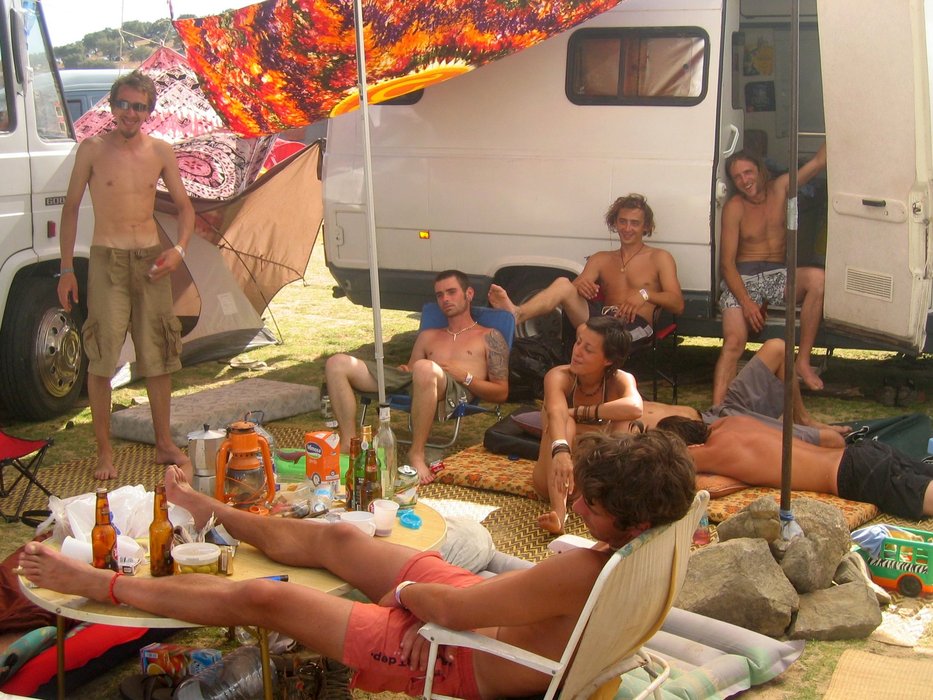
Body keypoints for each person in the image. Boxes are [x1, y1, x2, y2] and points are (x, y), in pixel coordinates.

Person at [19, 434, 697, 700]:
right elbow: (485, 598)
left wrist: (406, 596)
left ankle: (102, 582)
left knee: (268, 601)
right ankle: (211, 509)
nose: (577, 505)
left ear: (631, 518)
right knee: (343, 541)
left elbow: (450, 610)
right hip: (491, 622)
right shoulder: (642, 542)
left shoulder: (585, 570)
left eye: (591, 504)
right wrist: (421, 595)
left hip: (465, 651)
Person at [57, 71, 194, 481]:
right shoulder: (92, 150)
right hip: (108, 262)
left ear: (149, 111)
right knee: (101, 356)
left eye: (139, 106)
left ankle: (164, 443)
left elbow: (185, 207)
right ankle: (104, 453)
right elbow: (70, 208)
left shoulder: (161, 151)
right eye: (123, 104)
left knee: (159, 354)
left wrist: (179, 249)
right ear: (112, 106)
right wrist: (66, 269)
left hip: (152, 262)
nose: (130, 113)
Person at [326, 270, 509, 483]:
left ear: (469, 293)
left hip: (456, 389)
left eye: (451, 292)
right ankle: (348, 444)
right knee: (337, 363)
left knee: (424, 368)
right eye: (439, 295)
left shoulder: (489, 336)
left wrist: (465, 377)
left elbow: (501, 393)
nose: (445, 299)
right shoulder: (428, 336)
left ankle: (416, 453)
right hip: (418, 379)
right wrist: (406, 369)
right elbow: (414, 369)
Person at [488, 194, 684, 351]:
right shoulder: (601, 258)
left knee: (601, 339)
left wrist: (645, 294)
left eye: (635, 223)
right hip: (602, 319)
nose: (627, 228)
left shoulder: (659, 257)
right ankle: (517, 314)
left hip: (636, 325)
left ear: (646, 226)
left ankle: (589, 378)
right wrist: (580, 286)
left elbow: (678, 305)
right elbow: (572, 289)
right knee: (563, 283)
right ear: (614, 223)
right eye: (622, 221)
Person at [714, 145, 827, 405]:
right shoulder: (735, 207)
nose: (744, 180)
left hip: (778, 274)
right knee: (734, 342)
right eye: (737, 177)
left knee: (818, 280)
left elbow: (819, 162)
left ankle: (803, 361)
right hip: (743, 279)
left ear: (760, 170)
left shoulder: (780, 188)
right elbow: (727, 265)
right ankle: (716, 411)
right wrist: (747, 302)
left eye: (748, 172)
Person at [657, 414, 933, 520]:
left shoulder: (714, 452)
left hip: (851, 474)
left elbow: (668, 462)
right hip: (862, 452)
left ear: (690, 446)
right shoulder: (730, 422)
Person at [535, 315, 642, 534]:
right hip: (554, 472)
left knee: (625, 422)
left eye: (588, 349)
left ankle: (610, 500)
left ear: (608, 360)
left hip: (591, 482)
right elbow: (556, 414)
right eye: (578, 342)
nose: (577, 351)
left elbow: (635, 408)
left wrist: (581, 412)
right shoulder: (558, 376)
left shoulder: (620, 380)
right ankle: (559, 514)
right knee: (566, 422)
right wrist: (561, 452)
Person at [642, 339, 849, 447]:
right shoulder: (623, 433)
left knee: (777, 348)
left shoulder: (624, 389)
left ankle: (802, 418)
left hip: (717, 412)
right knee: (832, 441)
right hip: (717, 434)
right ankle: (805, 434)